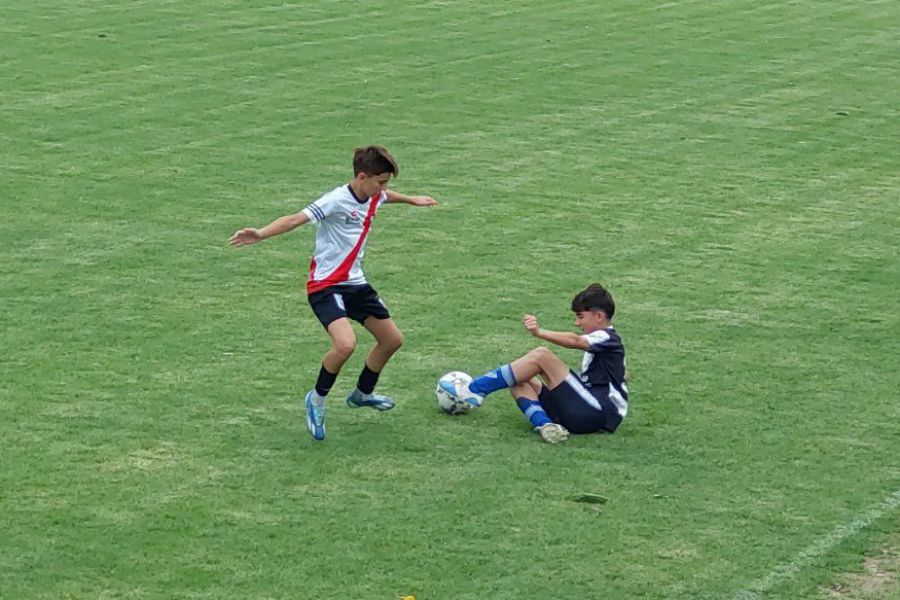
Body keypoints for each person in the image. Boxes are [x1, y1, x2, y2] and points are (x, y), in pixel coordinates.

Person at [229, 145, 437, 441]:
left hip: (356, 284)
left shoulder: (373, 194)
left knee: (392, 340)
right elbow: (295, 219)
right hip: (325, 286)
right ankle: (316, 399)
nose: (384, 188)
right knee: (345, 345)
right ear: (362, 177)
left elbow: (385, 198)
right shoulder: (336, 200)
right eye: (381, 181)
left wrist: (411, 200)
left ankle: (362, 394)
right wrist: (260, 233)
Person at [442, 283, 628, 443]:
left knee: (541, 355)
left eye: (580, 317)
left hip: (598, 412)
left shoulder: (608, 337)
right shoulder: (607, 344)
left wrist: (539, 332)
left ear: (599, 316)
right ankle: (546, 426)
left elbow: (576, 341)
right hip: (584, 414)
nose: (577, 323)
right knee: (518, 379)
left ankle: (474, 389)